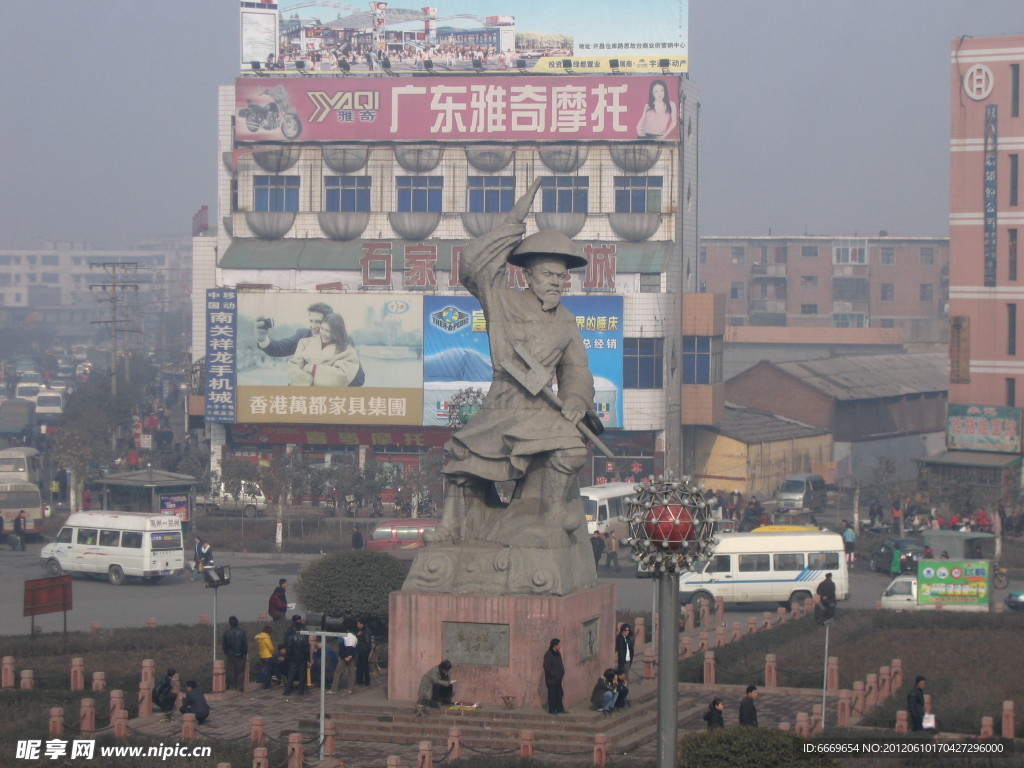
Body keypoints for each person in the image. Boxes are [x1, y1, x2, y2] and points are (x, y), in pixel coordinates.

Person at [428, 180, 598, 546]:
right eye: (549, 275)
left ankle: (551, 513)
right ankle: (453, 525)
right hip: (503, 401)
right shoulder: (502, 299)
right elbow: (474, 265)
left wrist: (576, 401)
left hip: (542, 406)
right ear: (528, 275)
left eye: (561, 276)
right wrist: (514, 221)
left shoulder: (566, 321)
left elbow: (577, 372)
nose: (556, 282)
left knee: (570, 447)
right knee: (461, 456)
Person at [287, 311, 363, 387]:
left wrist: (314, 369)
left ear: (337, 332)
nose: (323, 333)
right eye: (322, 328)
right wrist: (307, 381)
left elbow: (342, 377)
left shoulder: (348, 351)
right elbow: (293, 368)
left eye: (327, 330)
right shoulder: (304, 343)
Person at [282, 615, 310, 696]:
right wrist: (308, 659)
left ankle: (287, 691)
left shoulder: (290, 636)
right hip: (302, 658)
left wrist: (288, 656)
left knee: (291, 674)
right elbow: (306, 649)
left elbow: (288, 647)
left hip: (293, 658)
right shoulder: (304, 637)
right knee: (302, 675)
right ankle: (301, 691)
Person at [222, 616, 248, 691]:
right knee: (240, 671)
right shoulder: (242, 632)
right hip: (240, 654)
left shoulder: (226, 633)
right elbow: (245, 644)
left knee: (231, 671)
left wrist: (226, 652)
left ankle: (232, 686)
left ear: (230, 623)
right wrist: (244, 653)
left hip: (230, 655)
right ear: (237, 622)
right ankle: (239, 686)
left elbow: (224, 645)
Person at [543, 638, 566, 715]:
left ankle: (560, 709)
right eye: (558, 645)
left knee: (560, 694)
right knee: (552, 695)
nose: (560, 646)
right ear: (554, 646)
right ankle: (552, 709)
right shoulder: (548, 654)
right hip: (551, 680)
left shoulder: (558, 653)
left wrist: (562, 673)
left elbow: (560, 663)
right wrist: (554, 675)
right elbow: (547, 667)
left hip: (558, 679)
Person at [354, 619, 373, 687]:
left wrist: (368, 649)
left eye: (359, 624)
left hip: (364, 650)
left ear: (363, 624)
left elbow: (367, 641)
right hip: (360, 649)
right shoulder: (360, 631)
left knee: (365, 665)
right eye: (357, 624)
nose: (358, 625)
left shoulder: (366, 630)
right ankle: (359, 680)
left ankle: (367, 681)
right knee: (359, 665)